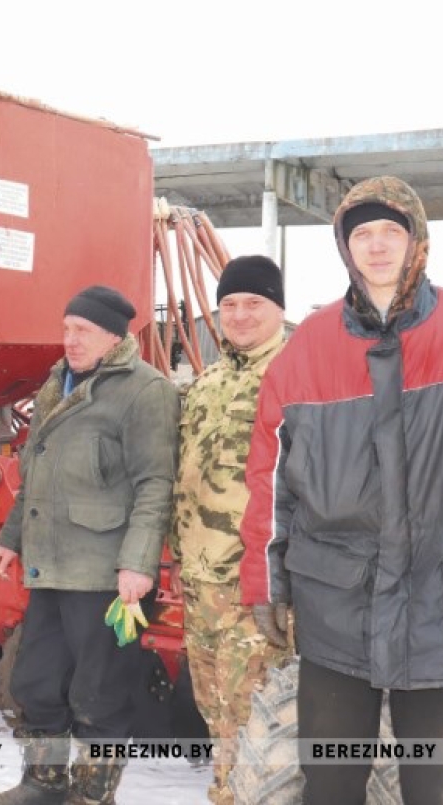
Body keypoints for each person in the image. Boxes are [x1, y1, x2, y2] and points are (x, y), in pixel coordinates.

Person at [239, 176, 443, 804]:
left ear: (417, 240)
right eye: (362, 233)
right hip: (336, 608)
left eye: (391, 230)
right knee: (329, 785)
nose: (378, 246)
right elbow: (272, 483)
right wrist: (265, 583)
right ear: (344, 247)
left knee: (437, 791)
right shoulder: (307, 348)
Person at [0, 285, 179, 805]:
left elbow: (155, 484)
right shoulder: (58, 382)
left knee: (100, 690)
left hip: (105, 574)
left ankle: (92, 794)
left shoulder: (145, 391)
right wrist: (10, 538)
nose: (70, 340)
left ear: (114, 337)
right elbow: (35, 473)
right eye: (67, 328)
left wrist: (138, 564)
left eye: (83, 331)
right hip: (48, 565)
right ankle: (42, 784)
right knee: (37, 679)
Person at [170, 255, 290, 805]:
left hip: (257, 589)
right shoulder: (207, 382)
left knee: (256, 720)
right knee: (216, 711)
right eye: (229, 305)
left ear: (278, 308)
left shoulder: (297, 376)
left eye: (254, 303)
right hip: (201, 584)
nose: (240, 316)